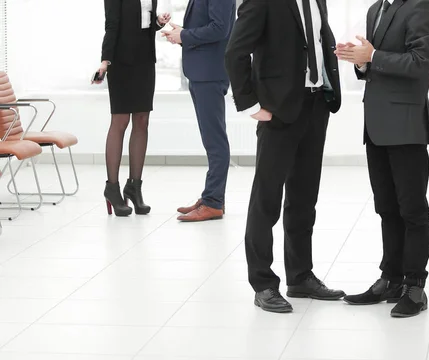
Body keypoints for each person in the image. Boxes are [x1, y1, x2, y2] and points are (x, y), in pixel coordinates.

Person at [225, 0, 345, 313]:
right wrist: (249, 105)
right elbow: (235, 51)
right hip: (277, 111)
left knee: (304, 198)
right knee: (266, 200)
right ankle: (263, 283)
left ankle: (301, 276)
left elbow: (315, 43)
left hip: (315, 105)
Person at [335, 0, 429, 317]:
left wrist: (374, 56)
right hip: (376, 125)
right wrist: (362, 62)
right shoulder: (375, 9)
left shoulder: (421, 7)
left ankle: (414, 286)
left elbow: (421, 63)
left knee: (412, 210)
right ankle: (391, 279)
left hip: (406, 125)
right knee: (387, 209)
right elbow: (373, 65)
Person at [162, 0, 236, 222]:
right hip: (201, 71)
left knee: (215, 141)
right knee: (211, 139)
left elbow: (220, 28)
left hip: (210, 72)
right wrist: (183, 34)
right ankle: (210, 198)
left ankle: (213, 202)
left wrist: (184, 36)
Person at [95, 0, 170, 217]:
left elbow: (143, 23)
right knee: (120, 121)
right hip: (120, 61)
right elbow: (112, 25)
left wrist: (157, 22)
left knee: (142, 120)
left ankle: (134, 187)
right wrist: (104, 61)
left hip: (145, 60)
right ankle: (112, 187)